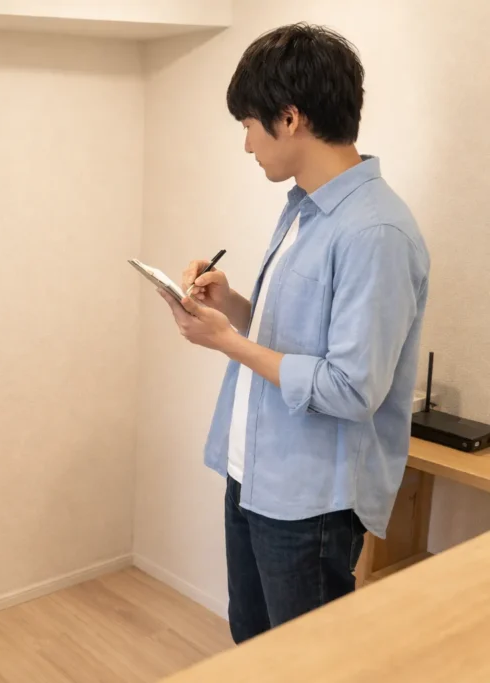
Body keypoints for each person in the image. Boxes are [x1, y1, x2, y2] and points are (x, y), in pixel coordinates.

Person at [159, 24, 430, 643]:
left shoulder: (375, 232)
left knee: (306, 663)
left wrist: (226, 341)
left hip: (309, 503)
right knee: (253, 647)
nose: (246, 145)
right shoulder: (304, 208)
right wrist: (233, 307)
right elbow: (295, 337)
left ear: (289, 118)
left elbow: (351, 388)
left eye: (249, 125)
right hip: (252, 472)